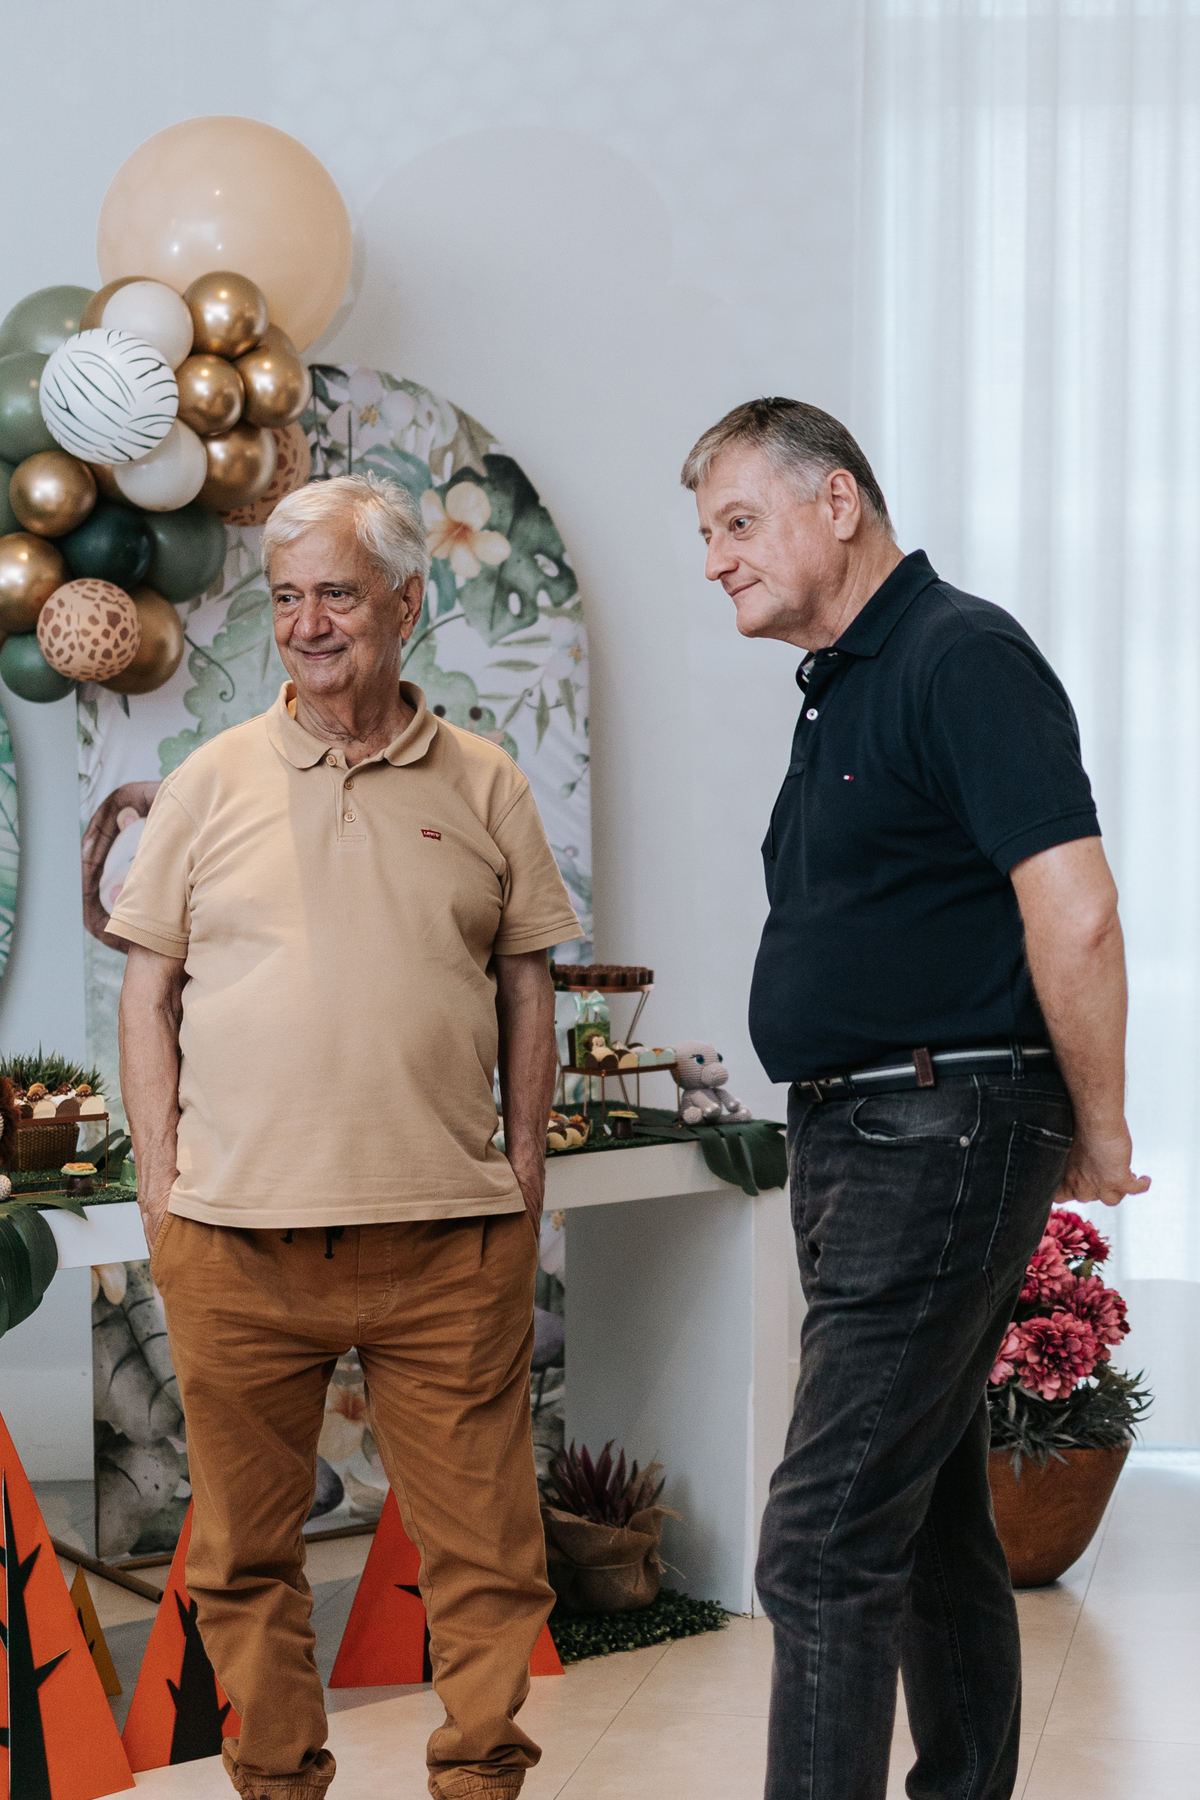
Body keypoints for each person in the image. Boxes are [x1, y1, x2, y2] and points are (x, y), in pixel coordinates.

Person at [681, 399, 1149, 1800]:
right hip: (866, 1133)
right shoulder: (844, 681)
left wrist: (1101, 1128)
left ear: (837, 503)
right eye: (706, 534)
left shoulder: (960, 656)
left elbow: (1076, 911)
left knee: (819, 1540)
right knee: (929, 1513)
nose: (714, 559)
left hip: (936, 1131)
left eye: (738, 522)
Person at [112, 473, 581, 1800]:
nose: (307, 625)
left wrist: (525, 1174)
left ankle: (480, 1779)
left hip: (448, 1244)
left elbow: (527, 985)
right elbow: (147, 991)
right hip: (236, 1247)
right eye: (286, 598)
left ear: (405, 602)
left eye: (336, 594)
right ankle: (276, 1782)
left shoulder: (485, 783)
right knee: (241, 1558)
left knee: (488, 1556)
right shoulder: (207, 783)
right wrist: (161, 1188)